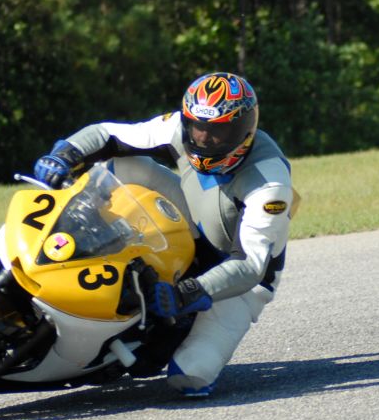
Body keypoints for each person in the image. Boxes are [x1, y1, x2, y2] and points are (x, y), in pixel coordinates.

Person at [32, 72, 294, 397]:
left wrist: (190, 291)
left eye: (220, 130)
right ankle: (76, 229)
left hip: (238, 280)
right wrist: (64, 154)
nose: (205, 139)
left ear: (246, 129)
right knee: (121, 164)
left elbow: (252, 266)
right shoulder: (178, 129)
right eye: (198, 127)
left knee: (192, 376)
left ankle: (163, 340)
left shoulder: (270, 183)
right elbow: (109, 133)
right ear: (187, 119)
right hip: (194, 220)